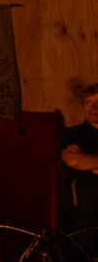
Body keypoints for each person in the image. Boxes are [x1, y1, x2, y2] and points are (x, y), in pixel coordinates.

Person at [59, 84, 98, 237]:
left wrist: (90, 163)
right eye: (88, 102)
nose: (93, 108)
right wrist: (83, 161)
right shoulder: (72, 134)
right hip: (83, 215)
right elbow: (74, 161)